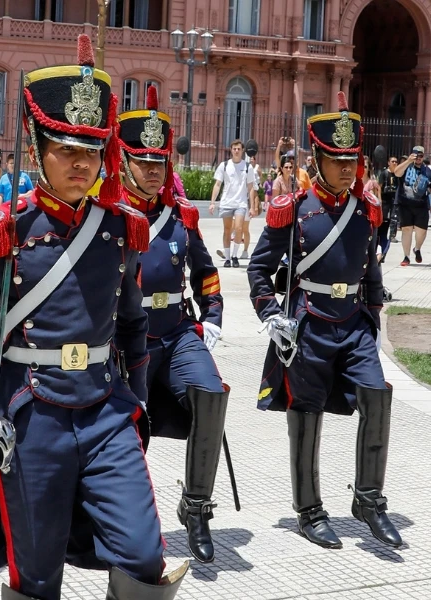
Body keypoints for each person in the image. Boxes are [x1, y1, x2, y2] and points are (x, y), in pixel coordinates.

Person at [0, 36, 188, 600]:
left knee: (144, 555)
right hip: (32, 412)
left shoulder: (119, 227)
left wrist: (135, 402)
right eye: (65, 148)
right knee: (36, 576)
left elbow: (132, 324)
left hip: (106, 409)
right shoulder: (1, 229)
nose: (82, 163)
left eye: (92, 148)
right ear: (36, 148)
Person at [247, 92, 401, 552]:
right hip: (308, 323)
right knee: (306, 412)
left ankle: (369, 500)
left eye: (352, 160)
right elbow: (259, 269)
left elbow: (371, 272)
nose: (347, 168)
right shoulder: (293, 209)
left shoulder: (365, 209)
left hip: (352, 321)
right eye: (337, 160)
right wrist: (272, 316)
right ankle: (309, 510)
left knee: (377, 396)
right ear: (316, 159)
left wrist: (373, 319)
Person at [117, 86, 230, 564]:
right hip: (127, 340)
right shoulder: (109, 216)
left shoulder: (180, 216)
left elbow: (205, 273)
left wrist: (214, 315)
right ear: (124, 162)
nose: (153, 170)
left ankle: (197, 509)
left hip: (178, 331)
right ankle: (129, 518)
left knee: (212, 396)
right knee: (127, 429)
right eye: (143, 162)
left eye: (159, 162)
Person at [209, 139, 258, 267]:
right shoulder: (224, 165)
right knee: (227, 230)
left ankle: (235, 255)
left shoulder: (247, 167)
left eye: (239, 149)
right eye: (234, 149)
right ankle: (227, 258)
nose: (236, 151)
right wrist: (212, 202)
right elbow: (217, 184)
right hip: (226, 202)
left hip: (241, 203)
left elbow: (251, 188)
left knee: (238, 228)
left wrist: (252, 207)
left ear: (242, 151)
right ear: (231, 150)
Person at [390, 145, 431, 265]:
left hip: (421, 205)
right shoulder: (406, 166)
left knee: (422, 231)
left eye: (420, 156)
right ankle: (406, 257)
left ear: (423, 156)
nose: (418, 158)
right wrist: (408, 161)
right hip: (405, 204)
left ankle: (417, 249)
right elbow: (396, 173)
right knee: (406, 230)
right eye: (416, 156)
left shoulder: (427, 171)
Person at [379, 156, 400, 242]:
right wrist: (379, 198)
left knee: (394, 218)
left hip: (394, 199)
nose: (394, 163)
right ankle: (381, 234)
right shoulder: (384, 173)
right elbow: (379, 186)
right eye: (392, 161)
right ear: (388, 163)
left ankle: (392, 235)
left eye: (396, 162)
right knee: (383, 217)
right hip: (385, 199)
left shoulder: (398, 174)